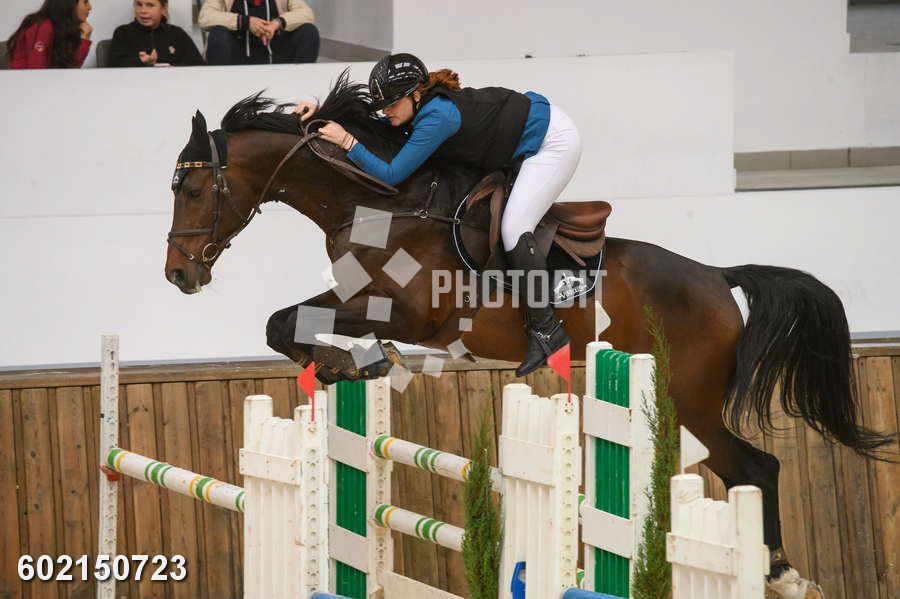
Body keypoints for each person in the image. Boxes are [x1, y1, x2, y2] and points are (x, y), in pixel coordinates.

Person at [294, 54, 582, 376]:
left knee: (514, 227)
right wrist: (320, 118)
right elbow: (380, 129)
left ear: (416, 95)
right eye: (383, 106)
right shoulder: (420, 110)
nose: (387, 112)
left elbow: (390, 174)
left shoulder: (437, 118)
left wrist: (348, 141)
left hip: (551, 142)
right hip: (518, 135)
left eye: (392, 104)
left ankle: (547, 330)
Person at [199, 0, 319, 65]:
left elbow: (306, 13)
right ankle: (220, 84)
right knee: (218, 33)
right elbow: (205, 17)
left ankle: (300, 82)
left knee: (308, 31)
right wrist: (245, 22)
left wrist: (278, 23)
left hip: (275, 53)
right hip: (237, 54)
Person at [110, 0, 204, 68]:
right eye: (139, 4)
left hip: (172, 86)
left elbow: (198, 66)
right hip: (134, 86)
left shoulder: (177, 34)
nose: (143, 10)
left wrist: (173, 69)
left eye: (150, 5)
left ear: (164, 8)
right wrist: (140, 62)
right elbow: (112, 67)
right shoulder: (123, 33)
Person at [7, 0, 92, 69]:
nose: (90, 7)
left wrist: (85, 38)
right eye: (85, 2)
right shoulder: (43, 27)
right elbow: (36, 74)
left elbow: (70, 71)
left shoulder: (63, 29)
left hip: (48, 82)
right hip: (24, 83)